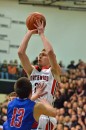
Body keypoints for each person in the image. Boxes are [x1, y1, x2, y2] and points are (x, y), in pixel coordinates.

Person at [18, 20, 61, 129]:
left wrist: (41, 33)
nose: (39, 56)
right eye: (39, 55)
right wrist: (29, 32)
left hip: (45, 114)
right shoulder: (32, 70)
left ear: (50, 59)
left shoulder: (54, 71)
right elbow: (20, 53)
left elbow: (51, 52)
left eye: (43, 55)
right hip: (30, 111)